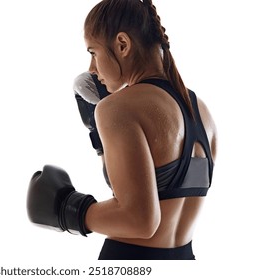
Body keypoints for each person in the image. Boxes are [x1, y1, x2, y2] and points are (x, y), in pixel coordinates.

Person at [26, 0, 217, 260]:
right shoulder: (201, 111)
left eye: (93, 52)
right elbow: (149, 190)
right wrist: (97, 131)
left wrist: (67, 210)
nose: (92, 69)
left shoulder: (119, 108)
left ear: (122, 44)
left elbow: (140, 220)